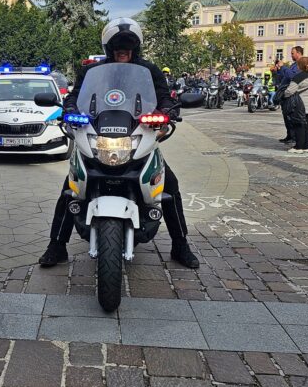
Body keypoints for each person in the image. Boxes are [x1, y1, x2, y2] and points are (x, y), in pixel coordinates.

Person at [38, 18, 200, 269]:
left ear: (136, 47)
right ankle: (56, 246)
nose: (122, 50)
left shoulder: (149, 70)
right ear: (108, 47)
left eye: (128, 45)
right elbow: (75, 96)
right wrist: (69, 110)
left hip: (139, 135)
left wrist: (167, 111)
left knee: (170, 187)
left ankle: (181, 245)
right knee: (71, 188)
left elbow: (164, 97)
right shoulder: (92, 71)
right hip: (98, 136)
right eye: (117, 45)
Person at [284, 57, 308, 153]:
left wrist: (284, 94)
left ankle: (299, 147)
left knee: (299, 125)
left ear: (300, 66)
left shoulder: (299, 77)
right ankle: (306, 146)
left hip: (300, 104)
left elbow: (290, 91)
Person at [277, 47, 303, 144]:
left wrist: (283, 67)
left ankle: (294, 137)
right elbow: (283, 77)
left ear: (299, 53)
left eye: (293, 53)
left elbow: (293, 76)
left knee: (291, 116)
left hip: (292, 94)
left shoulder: (300, 64)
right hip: (285, 93)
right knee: (286, 116)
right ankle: (290, 135)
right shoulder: (293, 65)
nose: (291, 55)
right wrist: (279, 70)